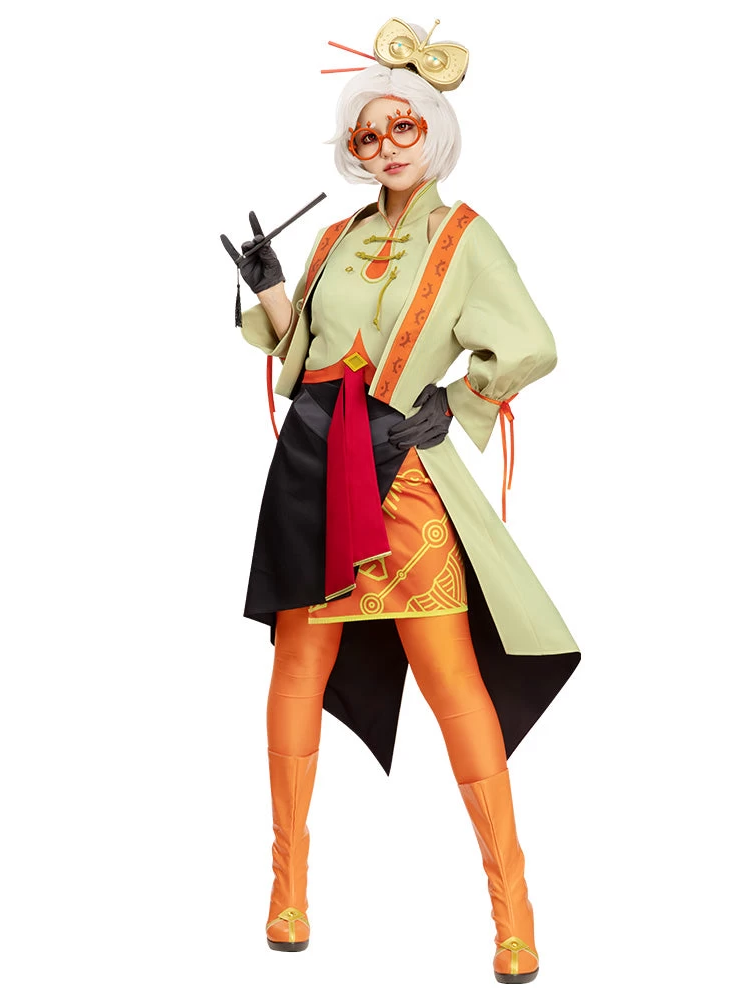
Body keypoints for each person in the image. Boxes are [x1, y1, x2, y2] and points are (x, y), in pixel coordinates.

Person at [221, 18, 581, 985]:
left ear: (433, 130)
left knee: (450, 677)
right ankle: (286, 893)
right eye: (367, 135)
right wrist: (272, 289)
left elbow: (532, 343)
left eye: (401, 128)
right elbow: (299, 350)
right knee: (297, 664)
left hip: (401, 472)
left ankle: (514, 914)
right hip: (313, 463)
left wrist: (460, 401)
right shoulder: (335, 236)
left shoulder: (466, 238)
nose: (383, 146)